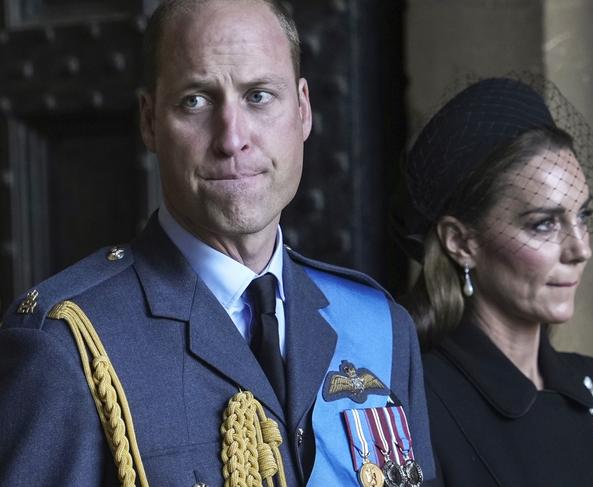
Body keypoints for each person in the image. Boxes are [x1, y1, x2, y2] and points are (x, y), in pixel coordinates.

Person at [0, 1, 441, 486]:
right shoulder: (69, 348)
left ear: (303, 109)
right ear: (149, 121)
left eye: (258, 96)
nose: (232, 138)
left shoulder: (378, 326)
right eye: (196, 100)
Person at [391, 76, 593, 486]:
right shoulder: (413, 399)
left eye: (583, 217)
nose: (580, 249)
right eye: (544, 224)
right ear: (461, 242)